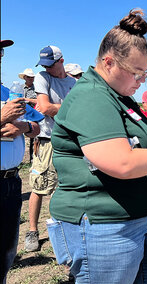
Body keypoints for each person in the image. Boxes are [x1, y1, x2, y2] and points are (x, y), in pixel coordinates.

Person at [47, 10, 147, 283]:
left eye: (146, 72)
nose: (142, 81)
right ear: (109, 63)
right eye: (136, 73)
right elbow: (122, 162)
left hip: (139, 216)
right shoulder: (92, 97)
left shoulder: (120, 96)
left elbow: (139, 148)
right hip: (104, 225)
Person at [25, 45, 76, 252]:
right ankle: (32, 231)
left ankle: (61, 230)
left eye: (50, 64)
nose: (46, 68)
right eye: (44, 65)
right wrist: (72, 108)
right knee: (39, 187)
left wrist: (59, 110)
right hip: (47, 140)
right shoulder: (42, 77)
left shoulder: (74, 82)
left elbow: (53, 108)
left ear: (61, 61)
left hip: (69, 140)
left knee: (64, 188)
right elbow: (45, 108)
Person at [1, 38, 43, 284]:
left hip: (11, 183)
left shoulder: (9, 93)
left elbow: (36, 126)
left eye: (1, 51)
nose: (0, 56)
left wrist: (24, 127)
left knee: (6, 250)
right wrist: (2, 117)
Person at [18, 68, 37, 163]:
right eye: (29, 77)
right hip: (21, 115)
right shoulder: (20, 88)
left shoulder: (37, 89)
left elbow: (39, 101)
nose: (31, 79)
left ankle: (32, 159)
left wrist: (27, 100)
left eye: (32, 77)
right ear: (25, 77)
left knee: (33, 137)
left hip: (32, 115)